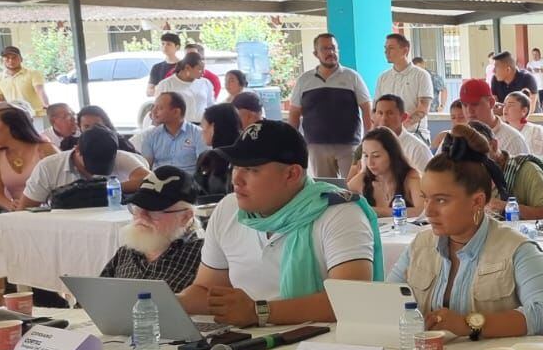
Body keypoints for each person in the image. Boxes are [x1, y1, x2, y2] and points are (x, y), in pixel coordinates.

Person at [178, 120, 381, 327]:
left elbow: (350, 300)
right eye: (236, 166)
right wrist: (167, 303)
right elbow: (206, 290)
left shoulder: (339, 213)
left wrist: (259, 312)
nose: (236, 179)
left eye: (251, 169)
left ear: (291, 174)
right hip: (248, 343)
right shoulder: (228, 209)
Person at [386, 134, 543, 340]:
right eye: (426, 199)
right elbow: (386, 301)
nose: (429, 211)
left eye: (441, 200)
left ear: (477, 201)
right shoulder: (420, 244)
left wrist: (469, 324)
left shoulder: (517, 249)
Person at [98, 166, 204, 293]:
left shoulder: (205, 256)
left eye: (154, 210)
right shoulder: (127, 252)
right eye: (137, 207)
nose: (141, 216)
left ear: (185, 217)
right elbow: (94, 299)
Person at [286, 33, 370, 178]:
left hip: (349, 145)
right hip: (316, 146)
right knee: (325, 191)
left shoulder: (352, 77)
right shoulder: (304, 80)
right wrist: (291, 143)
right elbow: (294, 114)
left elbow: (367, 109)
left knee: (353, 187)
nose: (330, 52)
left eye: (333, 48)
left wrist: (367, 140)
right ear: (315, 53)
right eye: (325, 49)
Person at [20, 126, 150, 207]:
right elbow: (25, 209)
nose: (97, 169)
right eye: (93, 162)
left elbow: (150, 181)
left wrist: (103, 189)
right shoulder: (48, 167)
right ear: (77, 150)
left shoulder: (121, 157)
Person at [469, 121, 543, 220]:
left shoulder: (527, 169)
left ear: (493, 145)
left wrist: (503, 206)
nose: (473, 160)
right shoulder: (468, 174)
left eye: (477, 152)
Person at [0, 106, 57, 212]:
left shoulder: (46, 149)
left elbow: (63, 185)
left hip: (49, 211)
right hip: (17, 213)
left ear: (11, 126)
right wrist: (10, 204)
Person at [348, 127, 425, 217]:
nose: (370, 162)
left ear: (392, 155)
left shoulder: (411, 177)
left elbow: (422, 211)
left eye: (376, 156)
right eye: (366, 156)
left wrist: (377, 211)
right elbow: (340, 198)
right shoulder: (363, 179)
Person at [376, 33, 435, 138]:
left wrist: (401, 127)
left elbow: (423, 108)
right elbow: (376, 110)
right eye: (385, 48)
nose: (386, 52)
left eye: (391, 48)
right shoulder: (383, 78)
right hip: (387, 135)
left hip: (415, 134)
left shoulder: (421, 75)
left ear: (405, 50)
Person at [459, 78, 528, 156]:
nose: (469, 111)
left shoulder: (513, 140)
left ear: (491, 103)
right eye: (464, 105)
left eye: (475, 104)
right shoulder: (456, 138)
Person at [363, 95, 433, 171]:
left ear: (403, 117)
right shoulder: (369, 146)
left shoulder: (417, 149)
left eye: (390, 113)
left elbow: (430, 181)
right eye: (380, 113)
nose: (384, 119)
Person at [141, 91, 205, 171]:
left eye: (160, 108)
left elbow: (204, 167)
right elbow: (145, 167)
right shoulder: (151, 135)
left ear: (176, 112)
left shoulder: (198, 134)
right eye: (153, 107)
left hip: (189, 181)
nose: (153, 112)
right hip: (159, 181)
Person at [193, 103, 241, 199]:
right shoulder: (249, 154)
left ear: (213, 127)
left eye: (203, 126)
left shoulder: (207, 158)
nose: (201, 131)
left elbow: (197, 193)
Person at [153, 52, 215, 124]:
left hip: (203, 126)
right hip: (178, 127)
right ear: (187, 68)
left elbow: (211, 105)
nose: (203, 72)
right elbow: (158, 110)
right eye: (200, 69)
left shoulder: (205, 83)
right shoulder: (166, 84)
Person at [0, 45, 49, 115]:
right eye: (7, 58)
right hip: (15, 116)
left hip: (36, 115)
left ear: (21, 59)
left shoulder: (33, 74)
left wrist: (46, 104)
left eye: (14, 57)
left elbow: (40, 91)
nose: (11, 60)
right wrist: (5, 106)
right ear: (2, 60)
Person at [501, 89, 543, 157]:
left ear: (524, 111)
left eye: (510, 105)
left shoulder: (536, 130)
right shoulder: (502, 131)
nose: (505, 108)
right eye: (504, 105)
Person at [145, 32, 182, 98]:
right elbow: (149, 91)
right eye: (163, 44)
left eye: (169, 44)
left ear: (177, 47)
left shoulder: (184, 66)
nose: (165, 46)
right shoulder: (156, 67)